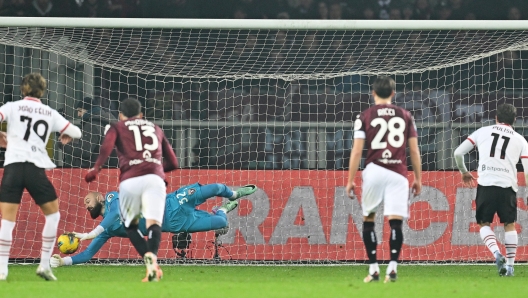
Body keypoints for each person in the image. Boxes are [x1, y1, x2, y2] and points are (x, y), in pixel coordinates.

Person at [49, 183, 257, 267]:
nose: (86, 205)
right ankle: (222, 209)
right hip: (175, 223)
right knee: (221, 221)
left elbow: (115, 214)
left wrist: (90, 233)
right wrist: (63, 262)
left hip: (171, 203)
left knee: (216, 188)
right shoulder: (108, 229)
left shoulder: (114, 199)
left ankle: (235, 194)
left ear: (100, 197)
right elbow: (87, 254)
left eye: (88, 200)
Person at [84, 97, 178, 282]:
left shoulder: (118, 127)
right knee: (153, 224)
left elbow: (107, 146)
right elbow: (174, 162)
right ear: (141, 115)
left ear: (120, 115)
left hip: (131, 180)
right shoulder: (155, 129)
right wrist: (155, 169)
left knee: (131, 226)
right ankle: (153, 262)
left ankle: (150, 263)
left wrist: (96, 168)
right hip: (155, 180)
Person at [0, 73, 82, 281]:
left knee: (8, 222)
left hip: (13, 168)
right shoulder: (49, 112)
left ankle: (2, 270)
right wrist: (67, 134)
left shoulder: (11, 106)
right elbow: (76, 132)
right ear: (43, 91)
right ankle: (44, 265)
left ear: (23, 89)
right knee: (53, 216)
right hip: (35, 169)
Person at [345, 76, 422, 283]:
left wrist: (350, 179)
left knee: (369, 219)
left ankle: (373, 269)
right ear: (393, 93)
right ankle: (393, 267)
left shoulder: (364, 116)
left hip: (375, 170)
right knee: (396, 223)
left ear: (373, 93)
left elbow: (357, 150)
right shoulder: (406, 115)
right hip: (398, 173)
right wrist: (418, 178)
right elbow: (414, 150)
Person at [453, 104, 528, 277]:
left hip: (486, 184)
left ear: (496, 117)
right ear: (514, 120)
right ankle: (509, 267)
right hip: (507, 186)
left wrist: (464, 172)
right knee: (509, 225)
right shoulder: (521, 140)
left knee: (484, 223)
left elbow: (458, 153)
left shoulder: (482, 132)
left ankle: (496, 253)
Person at [61, 96, 117, 167]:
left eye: (80, 111)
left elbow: (85, 152)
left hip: (95, 170)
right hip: (113, 169)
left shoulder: (93, 125)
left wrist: (65, 145)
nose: (78, 115)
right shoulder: (111, 122)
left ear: (88, 110)